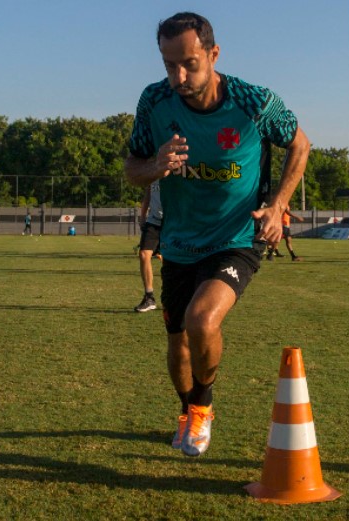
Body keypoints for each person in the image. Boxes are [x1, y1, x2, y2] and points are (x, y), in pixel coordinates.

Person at [125, 12, 309, 457]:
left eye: (189, 63)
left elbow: (300, 144)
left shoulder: (254, 101)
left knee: (202, 319)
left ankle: (203, 406)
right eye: (169, 65)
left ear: (213, 53)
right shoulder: (154, 102)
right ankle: (188, 409)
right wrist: (156, 166)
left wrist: (279, 205)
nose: (178, 76)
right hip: (180, 241)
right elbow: (132, 168)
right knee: (177, 343)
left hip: (236, 237)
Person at [134, 180, 163, 312]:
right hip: (153, 221)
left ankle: (176, 296)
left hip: (172, 221)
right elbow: (148, 194)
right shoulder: (153, 169)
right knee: (144, 254)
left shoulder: (177, 169)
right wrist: (143, 216)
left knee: (171, 259)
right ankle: (149, 297)